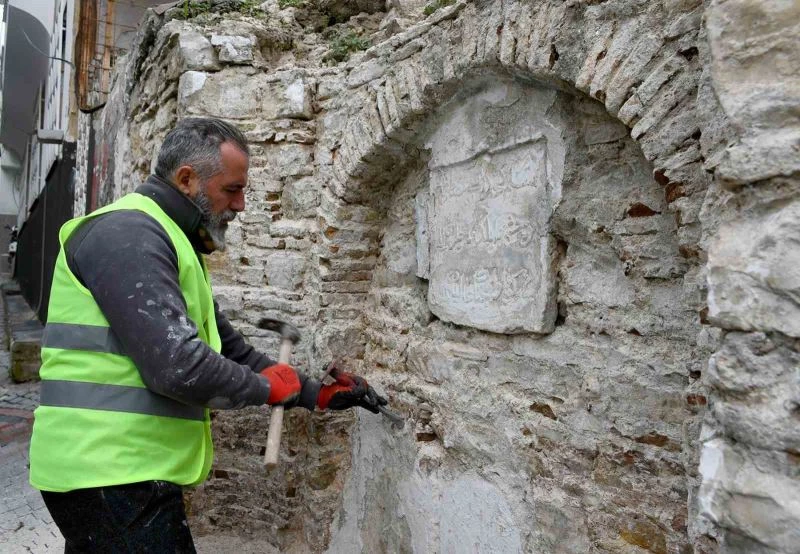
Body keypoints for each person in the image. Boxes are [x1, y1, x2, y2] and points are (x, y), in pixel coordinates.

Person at [28, 117, 386, 553]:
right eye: (231, 189)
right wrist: (261, 388)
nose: (239, 205)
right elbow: (178, 366)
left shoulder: (167, 239)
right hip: (107, 473)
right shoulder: (130, 234)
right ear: (186, 179)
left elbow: (227, 346)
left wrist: (312, 394)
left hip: (115, 472)